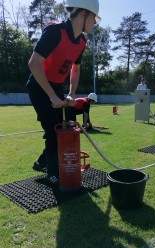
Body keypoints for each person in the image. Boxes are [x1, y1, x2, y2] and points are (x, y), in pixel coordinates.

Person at [26, 0, 100, 185]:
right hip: (39, 85)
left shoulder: (81, 42)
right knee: (53, 131)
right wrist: (51, 95)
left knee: (62, 128)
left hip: (57, 87)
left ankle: (41, 162)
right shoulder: (54, 31)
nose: (96, 22)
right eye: (94, 17)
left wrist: (71, 94)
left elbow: (75, 69)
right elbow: (33, 64)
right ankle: (53, 174)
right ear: (83, 14)